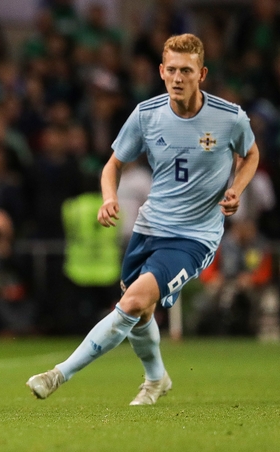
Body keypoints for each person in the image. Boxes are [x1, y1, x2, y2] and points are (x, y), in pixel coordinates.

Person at [26, 34, 259, 405]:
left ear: (202, 74)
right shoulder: (147, 114)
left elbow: (251, 154)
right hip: (148, 228)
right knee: (141, 308)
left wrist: (237, 189)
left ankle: (58, 374)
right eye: (171, 70)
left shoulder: (229, 118)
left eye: (187, 70)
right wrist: (109, 197)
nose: (178, 77)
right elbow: (113, 165)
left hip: (194, 237)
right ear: (161, 71)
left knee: (132, 303)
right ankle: (156, 379)